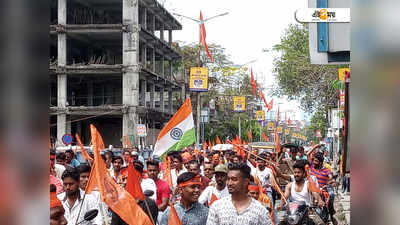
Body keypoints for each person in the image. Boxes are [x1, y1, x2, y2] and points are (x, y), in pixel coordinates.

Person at [206, 163, 271, 225]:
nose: (229, 183)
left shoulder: (260, 210)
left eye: (234, 179)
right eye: (228, 179)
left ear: (246, 182)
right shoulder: (217, 207)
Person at [309, 152, 336, 219]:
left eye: (316, 161)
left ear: (321, 162)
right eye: (314, 160)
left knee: (331, 194)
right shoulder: (312, 167)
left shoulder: (326, 170)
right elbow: (307, 155)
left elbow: (331, 178)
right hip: (311, 190)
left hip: (321, 190)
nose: (314, 162)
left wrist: (329, 183)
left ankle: (331, 211)